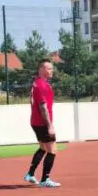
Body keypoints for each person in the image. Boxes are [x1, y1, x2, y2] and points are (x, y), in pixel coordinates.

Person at [24, 59, 60, 188]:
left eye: (51, 68)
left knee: (44, 148)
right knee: (52, 150)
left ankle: (30, 174)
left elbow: (32, 100)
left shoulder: (37, 84)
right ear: (41, 70)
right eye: (48, 68)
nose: (51, 70)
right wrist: (49, 126)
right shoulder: (42, 85)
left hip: (36, 121)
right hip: (42, 123)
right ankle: (45, 179)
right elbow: (43, 107)